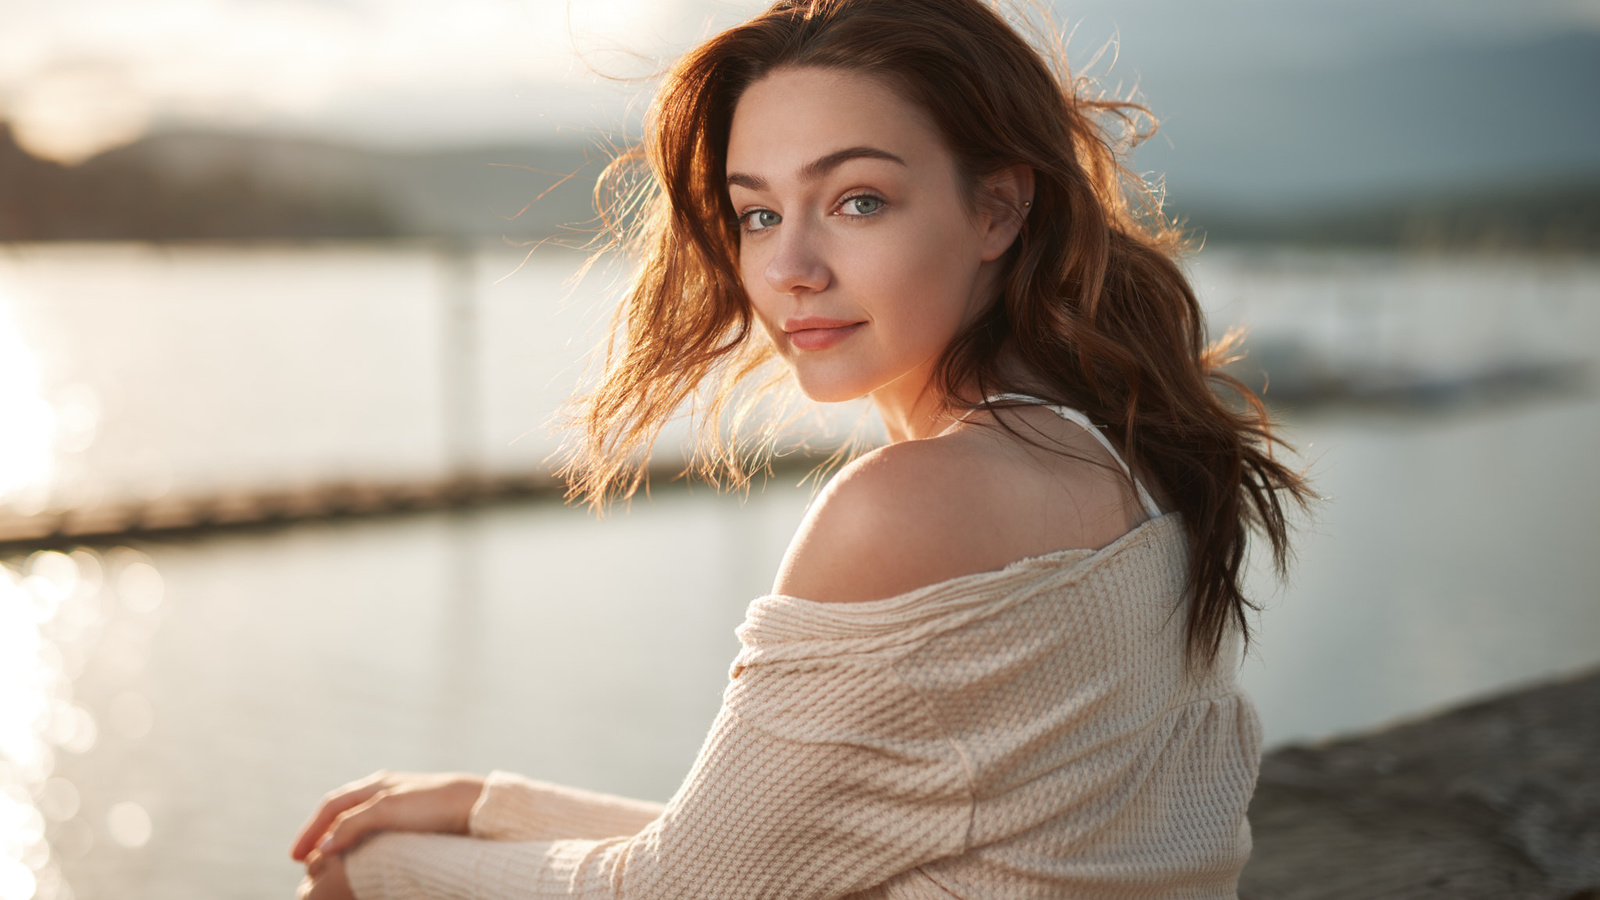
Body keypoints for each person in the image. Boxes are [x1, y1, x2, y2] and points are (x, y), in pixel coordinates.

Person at [290, 0, 1312, 896]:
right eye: (757, 212)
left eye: (857, 201)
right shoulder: (1123, 454)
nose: (787, 268)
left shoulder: (914, 503)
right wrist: (488, 806)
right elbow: (771, 859)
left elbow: (682, 894)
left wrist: (373, 876)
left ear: (997, 207)